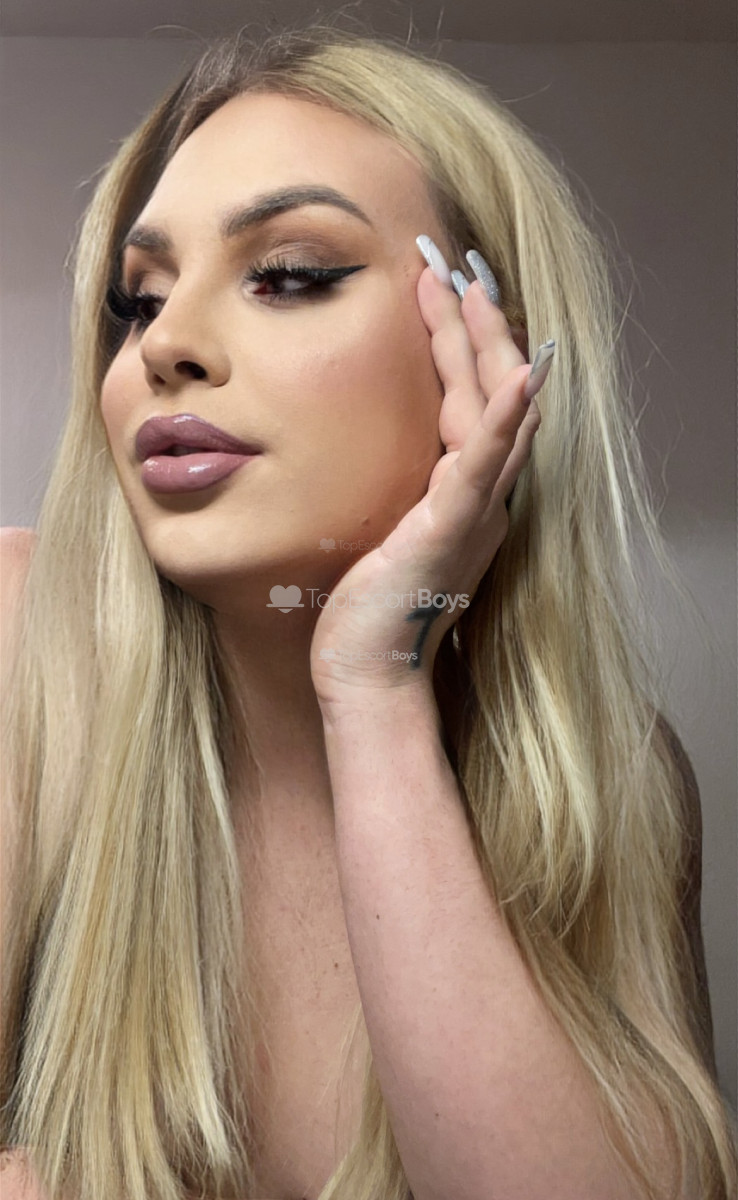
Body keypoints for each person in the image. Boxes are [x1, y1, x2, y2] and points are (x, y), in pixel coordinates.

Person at [1, 20, 736, 1200]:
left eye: (291, 274)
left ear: (479, 356)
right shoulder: (18, 651)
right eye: (138, 301)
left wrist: (375, 686)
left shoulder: (616, 779)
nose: (166, 346)